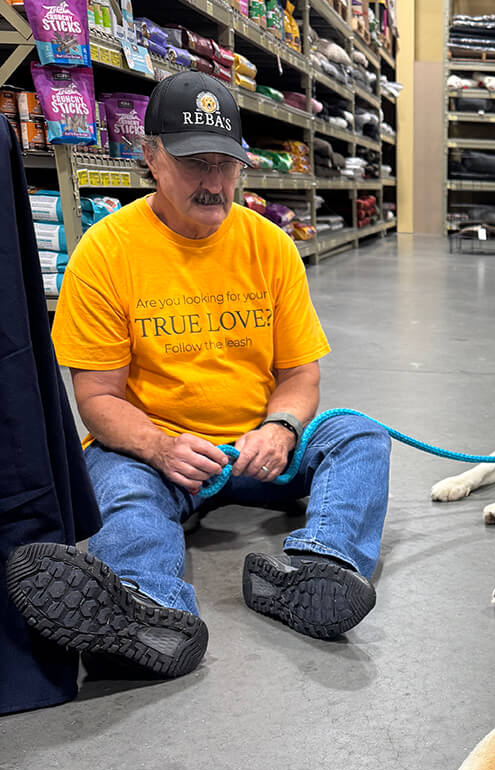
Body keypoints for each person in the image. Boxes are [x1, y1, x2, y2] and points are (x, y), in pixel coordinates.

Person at [6, 71, 390, 681]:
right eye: (194, 164)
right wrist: (160, 446)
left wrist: (282, 427)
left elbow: (300, 375)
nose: (214, 183)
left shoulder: (271, 247)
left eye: (226, 164)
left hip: (259, 449)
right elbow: (98, 398)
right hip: (160, 447)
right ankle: (149, 609)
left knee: (360, 434)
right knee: (119, 484)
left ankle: (316, 569)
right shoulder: (105, 253)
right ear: (152, 157)